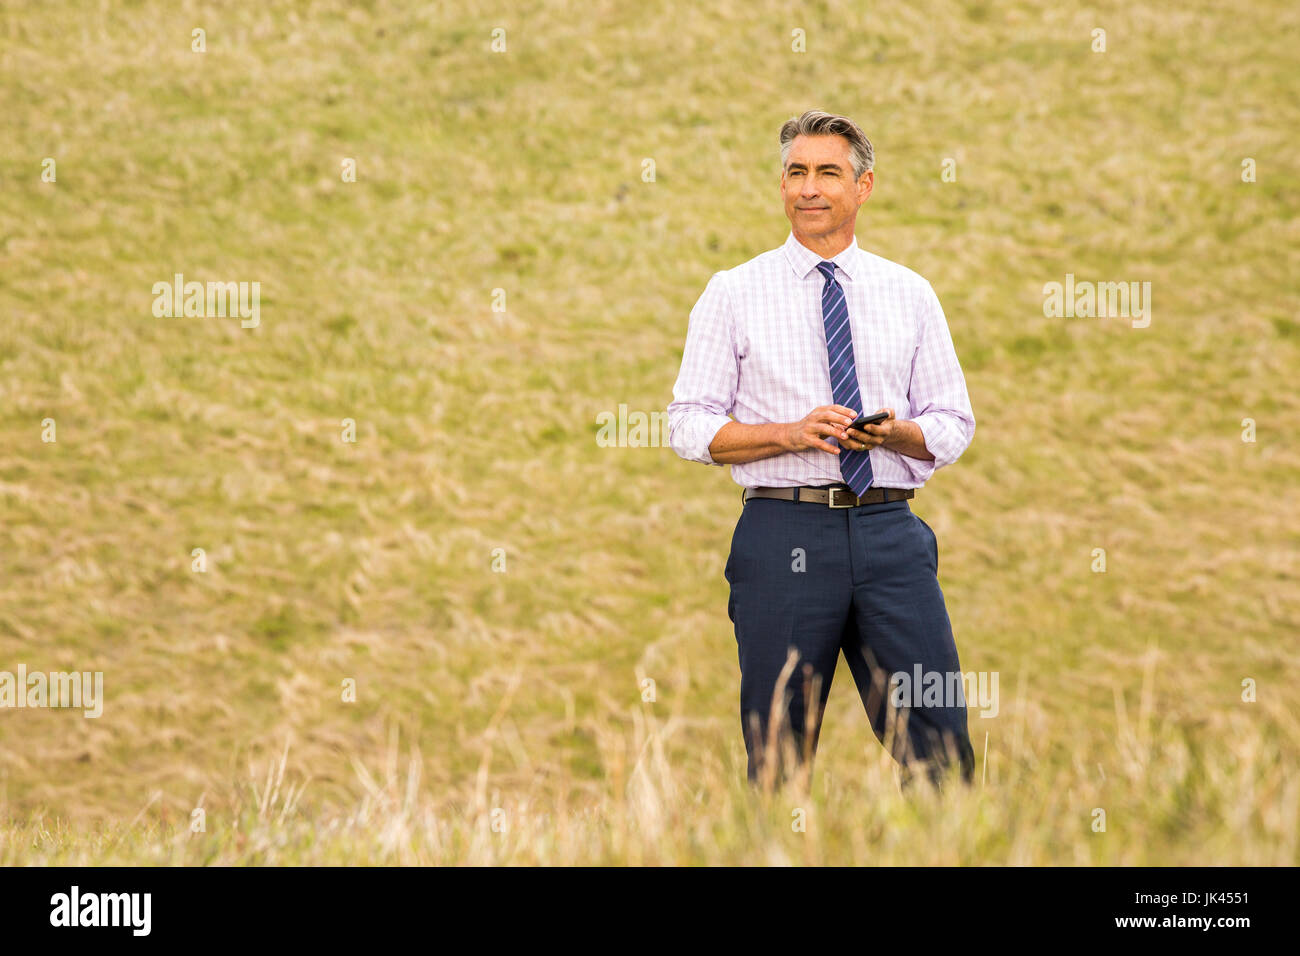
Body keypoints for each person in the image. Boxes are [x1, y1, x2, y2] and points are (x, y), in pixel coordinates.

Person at [667, 110, 978, 791]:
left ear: (863, 187)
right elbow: (687, 424)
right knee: (777, 749)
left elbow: (954, 422)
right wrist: (787, 433)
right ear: (781, 185)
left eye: (828, 173)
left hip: (890, 532)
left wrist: (893, 433)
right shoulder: (733, 293)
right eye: (795, 173)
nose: (809, 188)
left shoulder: (911, 294)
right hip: (783, 532)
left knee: (941, 742)